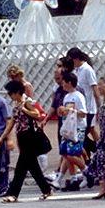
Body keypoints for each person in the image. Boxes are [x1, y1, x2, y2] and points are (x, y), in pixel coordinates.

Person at [0, 79, 52, 203]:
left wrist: (25, 110)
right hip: (22, 137)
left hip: (29, 136)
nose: (10, 96)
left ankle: (13, 193)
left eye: (11, 93)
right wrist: (2, 137)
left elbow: (37, 114)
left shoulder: (27, 102)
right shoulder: (17, 104)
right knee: (33, 167)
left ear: (17, 92)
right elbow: (11, 123)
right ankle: (46, 189)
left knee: (20, 168)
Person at [42, 56, 73, 186]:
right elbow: (53, 106)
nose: (58, 81)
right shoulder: (60, 90)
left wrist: (65, 110)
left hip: (71, 125)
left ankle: (82, 171)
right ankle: (70, 175)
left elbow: (73, 109)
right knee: (66, 151)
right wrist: (45, 120)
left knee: (71, 152)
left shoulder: (73, 92)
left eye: (59, 79)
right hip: (63, 124)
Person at [54, 71, 87, 190]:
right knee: (65, 152)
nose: (62, 85)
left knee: (72, 153)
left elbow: (83, 113)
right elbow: (64, 113)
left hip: (77, 127)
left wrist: (72, 111)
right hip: (68, 127)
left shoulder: (78, 96)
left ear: (69, 82)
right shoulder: (66, 97)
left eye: (64, 82)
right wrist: (62, 111)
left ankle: (86, 171)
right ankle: (72, 178)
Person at [66, 47, 100, 143]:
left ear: (76, 59)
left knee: (81, 135)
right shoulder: (76, 71)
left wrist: (100, 106)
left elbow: (94, 88)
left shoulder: (87, 70)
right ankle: (95, 151)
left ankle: (97, 149)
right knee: (84, 132)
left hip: (88, 108)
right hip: (79, 107)